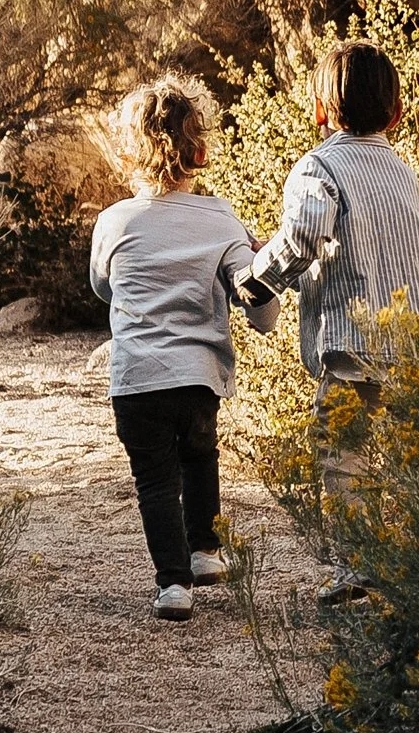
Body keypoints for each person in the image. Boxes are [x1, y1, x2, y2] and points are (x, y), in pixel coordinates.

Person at [238, 39, 419, 603]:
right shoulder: (402, 171)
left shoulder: (319, 166)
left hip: (354, 344)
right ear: (396, 114)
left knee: (343, 454)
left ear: (321, 112)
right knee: (411, 452)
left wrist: (259, 277)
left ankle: (357, 567)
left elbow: (304, 236)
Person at [90, 76, 280, 623]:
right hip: (198, 374)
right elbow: (256, 304)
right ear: (200, 150)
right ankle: (205, 552)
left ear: (128, 151)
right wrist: (264, 273)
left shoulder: (114, 221)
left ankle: (172, 585)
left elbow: (104, 287)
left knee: (155, 480)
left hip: (137, 377)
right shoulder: (222, 219)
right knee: (201, 458)